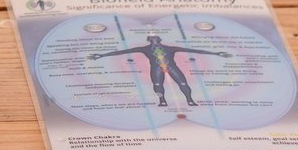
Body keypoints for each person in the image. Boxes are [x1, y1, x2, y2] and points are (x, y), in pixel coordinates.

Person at [89, 34, 229, 107]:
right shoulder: (145, 49)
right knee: (157, 85)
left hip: (171, 66)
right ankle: (162, 100)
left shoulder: (169, 48)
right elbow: (123, 51)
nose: (154, 39)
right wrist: (102, 55)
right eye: (151, 38)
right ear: (149, 40)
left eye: (155, 38)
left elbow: (193, 50)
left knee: (183, 84)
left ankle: (189, 100)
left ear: (159, 39)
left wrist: (216, 54)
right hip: (156, 68)